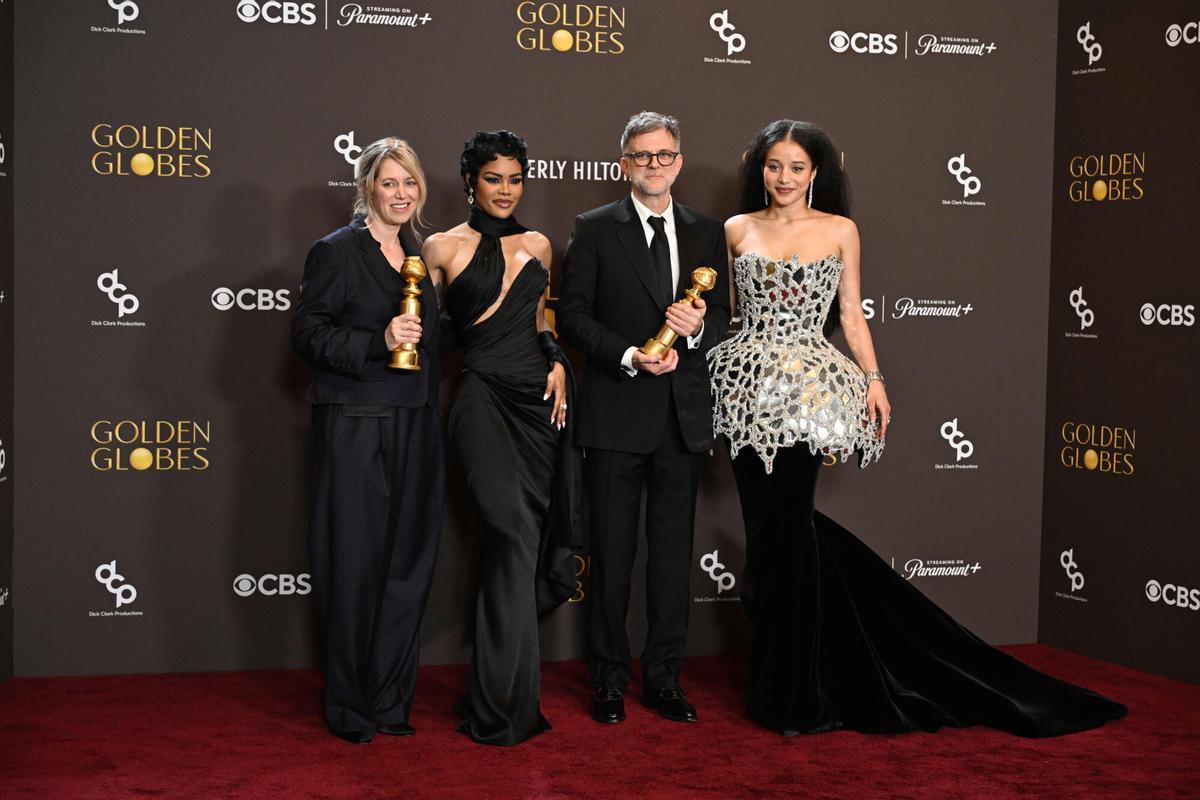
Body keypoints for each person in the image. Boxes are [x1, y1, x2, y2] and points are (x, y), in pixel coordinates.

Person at [709, 119, 1126, 736]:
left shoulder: (840, 230)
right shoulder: (735, 229)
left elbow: (850, 314)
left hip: (808, 392)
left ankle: (794, 695)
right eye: (774, 166)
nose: (785, 178)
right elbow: (734, 312)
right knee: (767, 531)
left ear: (816, 172)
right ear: (760, 170)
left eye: (797, 167)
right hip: (745, 388)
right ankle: (802, 674)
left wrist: (874, 379)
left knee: (790, 528)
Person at [557, 111, 731, 725]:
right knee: (610, 557)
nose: (653, 165)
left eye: (663, 155)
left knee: (669, 559)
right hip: (615, 414)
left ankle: (663, 679)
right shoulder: (595, 228)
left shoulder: (708, 231)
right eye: (640, 155)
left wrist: (700, 328)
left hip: (681, 420)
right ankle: (607, 681)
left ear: (678, 161)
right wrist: (631, 355)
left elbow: (728, 319)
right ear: (623, 163)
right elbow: (573, 317)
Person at [421, 130, 582, 747]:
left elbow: (543, 314)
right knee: (510, 532)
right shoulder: (439, 247)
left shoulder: (539, 243)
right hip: (481, 398)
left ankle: (497, 694)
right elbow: (430, 333)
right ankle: (503, 703)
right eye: (494, 179)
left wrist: (559, 359)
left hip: (538, 404)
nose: (505, 190)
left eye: (515, 179)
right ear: (469, 181)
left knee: (522, 545)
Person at [291, 137, 443, 745]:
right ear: (366, 188)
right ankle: (350, 707)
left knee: (407, 567)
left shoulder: (416, 252)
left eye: (410, 183)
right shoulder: (336, 251)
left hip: (417, 421)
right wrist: (375, 340)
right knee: (354, 564)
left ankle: (388, 702)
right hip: (356, 423)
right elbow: (307, 334)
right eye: (389, 183)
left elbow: (438, 336)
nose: (401, 194)